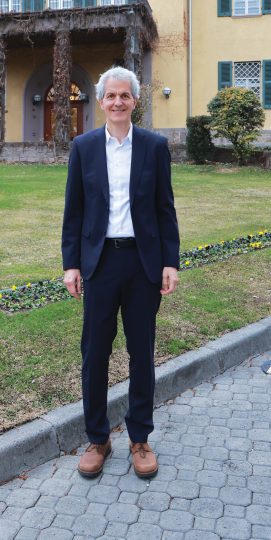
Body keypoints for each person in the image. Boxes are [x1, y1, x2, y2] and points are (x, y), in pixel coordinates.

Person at [62, 66, 180, 479]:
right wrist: (71, 264)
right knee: (95, 353)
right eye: (110, 96)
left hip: (142, 263)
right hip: (99, 264)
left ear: (134, 100)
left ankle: (139, 438)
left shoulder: (154, 146)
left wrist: (170, 261)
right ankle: (98, 438)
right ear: (100, 101)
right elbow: (74, 211)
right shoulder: (83, 147)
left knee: (141, 353)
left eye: (124, 95)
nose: (117, 102)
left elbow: (165, 209)